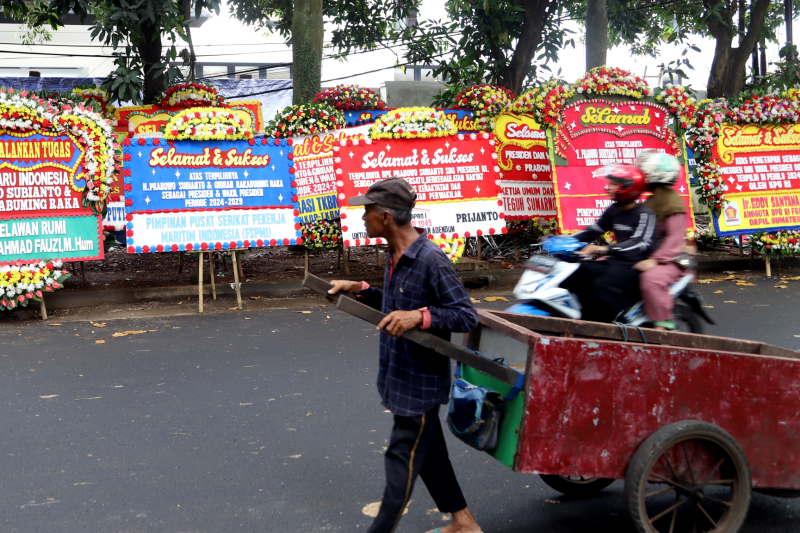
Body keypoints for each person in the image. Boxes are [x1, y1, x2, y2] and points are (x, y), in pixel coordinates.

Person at [327, 177, 482, 533]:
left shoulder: (431, 259)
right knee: (428, 455)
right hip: (400, 375)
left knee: (401, 460)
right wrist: (361, 290)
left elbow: (465, 315)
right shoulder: (396, 254)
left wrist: (421, 316)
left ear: (385, 218)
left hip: (421, 384)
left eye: (366, 210)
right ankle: (465, 523)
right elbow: (396, 307)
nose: (362, 217)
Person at [561, 163, 657, 322]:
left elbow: (639, 243)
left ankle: (615, 323)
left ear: (628, 187)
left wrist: (602, 249)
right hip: (614, 263)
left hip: (634, 267)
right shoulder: (614, 209)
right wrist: (560, 239)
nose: (609, 187)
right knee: (575, 273)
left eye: (613, 183)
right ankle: (585, 319)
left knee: (600, 286)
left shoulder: (644, 214)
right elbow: (593, 230)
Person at [633, 152, 688, 330]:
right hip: (649, 256)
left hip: (671, 260)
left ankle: (662, 327)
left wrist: (654, 260)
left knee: (651, 279)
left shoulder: (672, 203)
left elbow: (674, 240)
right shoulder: (652, 201)